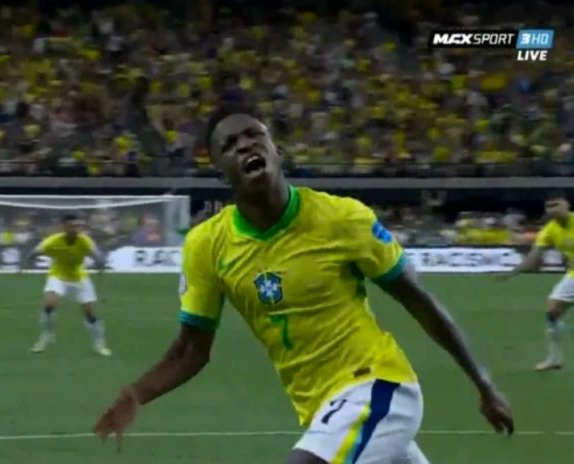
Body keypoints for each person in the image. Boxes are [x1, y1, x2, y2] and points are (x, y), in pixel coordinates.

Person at [93, 105, 514, 464]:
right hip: (321, 409)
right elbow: (192, 349)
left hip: (378, 386)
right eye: (229, 145)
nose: (245, 145)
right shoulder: (206, 245)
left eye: (253, 135)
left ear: (277, 150)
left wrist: (484, 385)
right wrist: (135, 393)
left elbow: (420, 302)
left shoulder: (342, 218)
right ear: (220, 171)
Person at [498, 191, 574, 371]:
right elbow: (533, 258)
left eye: (556, 204)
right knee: (552, 311)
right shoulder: (548, 231)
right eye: (549, 206)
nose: (552, 209)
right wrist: (513, 273)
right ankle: (554, 358)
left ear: (566, 205)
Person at [22, 213, 112, 356]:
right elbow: (33, 253)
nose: (76, 229)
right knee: (49, 303)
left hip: (79, 277)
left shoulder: (84, 241)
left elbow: (98, 257)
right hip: (58, 276)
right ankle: (46, 337)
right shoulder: (53, 241)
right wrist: (24, 267)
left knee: (89, 312)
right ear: (64, 227)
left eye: (78, 226)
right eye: (72, 226)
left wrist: (101, 269)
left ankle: (99, 345)